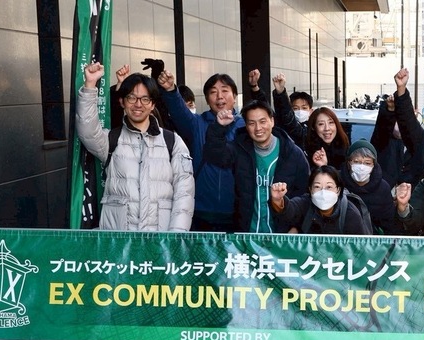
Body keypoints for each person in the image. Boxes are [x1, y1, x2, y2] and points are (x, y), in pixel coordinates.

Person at [75, 62, 193, 232]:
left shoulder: (173, 142)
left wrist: (175, 237)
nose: (138, 104)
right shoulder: (111, 139)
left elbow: (185, 195)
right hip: (118, 241)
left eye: (145, 99)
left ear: (152, 104)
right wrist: (90, 85)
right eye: (132, 98)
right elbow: (87, 130)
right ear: (122, 102)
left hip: (159, 241)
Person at [158, 68, 247, 232]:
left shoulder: (246, 127)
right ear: (207, 99)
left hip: (236, 212)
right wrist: (171, 90)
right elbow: (179, 112)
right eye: (213, 92)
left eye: (225, 91)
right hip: (200, 211)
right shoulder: (197, 124)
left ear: (234, 97)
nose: (219, 96)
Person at [204, 99, 309, 233]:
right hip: (247, 235)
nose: (258, 128)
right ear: (246, 126)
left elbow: (305, 196)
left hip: (282, 238)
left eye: (263, 121)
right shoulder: (239, 148)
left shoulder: (293, 154)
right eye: (251, 123)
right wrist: (219, 127)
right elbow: (214, 155)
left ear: (272, 121)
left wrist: (296, 227)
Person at [268, 166, 372, 235]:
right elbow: (290, 210)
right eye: (317, 187)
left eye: (329, 187)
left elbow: (360, 248)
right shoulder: (305, 203)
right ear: (310, 190)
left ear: (338, 190)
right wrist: (278, 199)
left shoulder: (350, 213)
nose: (323, 192)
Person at [341, 140, 397, 234]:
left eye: (367, 163)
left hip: (371, 242)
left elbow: (389, 224)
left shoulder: (383, 188)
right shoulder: (337, 181)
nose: (361, 167)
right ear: (348, 163)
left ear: (373, 165)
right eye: (356, 162)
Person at [270, 73, 314, 151]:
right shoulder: (284, 124)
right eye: (296, 108)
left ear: (311, 111)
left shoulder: (313, 128)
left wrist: (281, 93)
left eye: (304, 108)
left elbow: (293, 125)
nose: (300, 111)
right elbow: (278, 112)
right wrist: (255, 89)